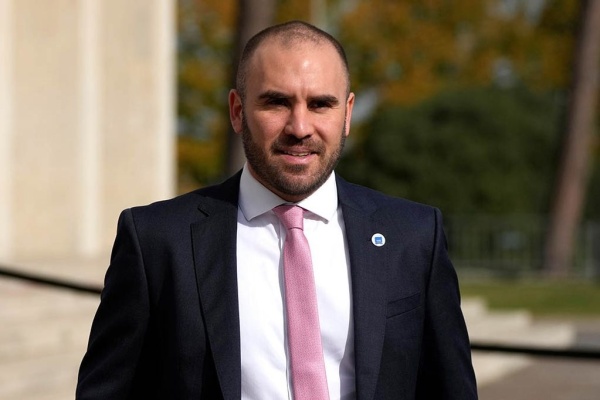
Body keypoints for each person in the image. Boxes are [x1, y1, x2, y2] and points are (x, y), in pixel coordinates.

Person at [76, 20, 478, 400]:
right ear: (237, 111)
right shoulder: (157, 240)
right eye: (277, 102)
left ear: (347, 113)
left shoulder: (413, 236)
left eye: (320, 104)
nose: (299, 127)